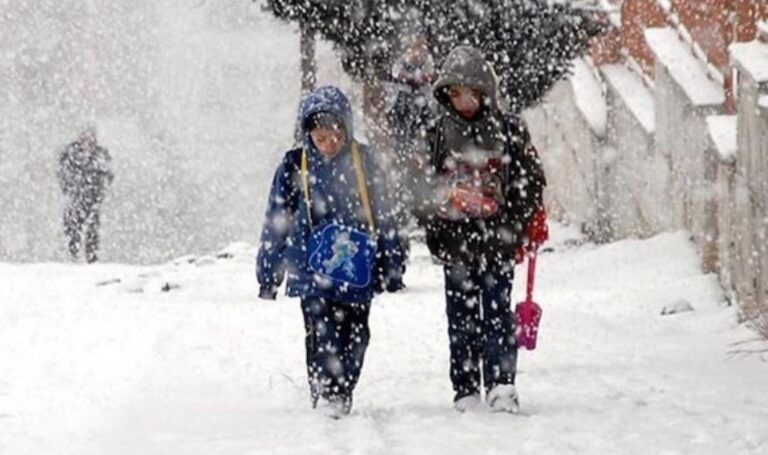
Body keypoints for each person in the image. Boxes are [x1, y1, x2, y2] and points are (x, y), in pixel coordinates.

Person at [256, 86, 405, 418]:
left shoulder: (364, 162)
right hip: (310, 268)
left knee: (356, 333)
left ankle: (343, 387)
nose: (328, 144)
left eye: (335, 136)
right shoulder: (295, 164)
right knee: (320, 331)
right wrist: (268, 273)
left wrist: (393, 264)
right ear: (309, 134)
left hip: (357, 268)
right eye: (320, 138)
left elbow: (385, 214)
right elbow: (276, 219)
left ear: (346, 130)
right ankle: (325, 391)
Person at [414, 46, 549, 413]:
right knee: (460, 317)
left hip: (498, 241)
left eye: (471, 93)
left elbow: (531, 180)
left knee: (497, 313)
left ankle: (502, 384)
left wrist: (515, 223)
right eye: (455, 94)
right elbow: (419, 185)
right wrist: (437, 219)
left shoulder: (508, 129)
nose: (464, 102)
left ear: (485, 92)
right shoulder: (436, 133)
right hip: (456, 243)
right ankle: (466, 387)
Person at [57, 126, 114, 263]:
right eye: (85, 138)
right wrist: (70, 188)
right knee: (72, 227)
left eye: (91, 138)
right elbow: (63, 174)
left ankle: (91, 258)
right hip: (76, 197)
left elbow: (108, 175)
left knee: (92, 228)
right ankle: (73, 255)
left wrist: (100, 188)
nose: (88, 142)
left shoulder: (100, 156)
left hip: (93, 198)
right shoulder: (71, 154)